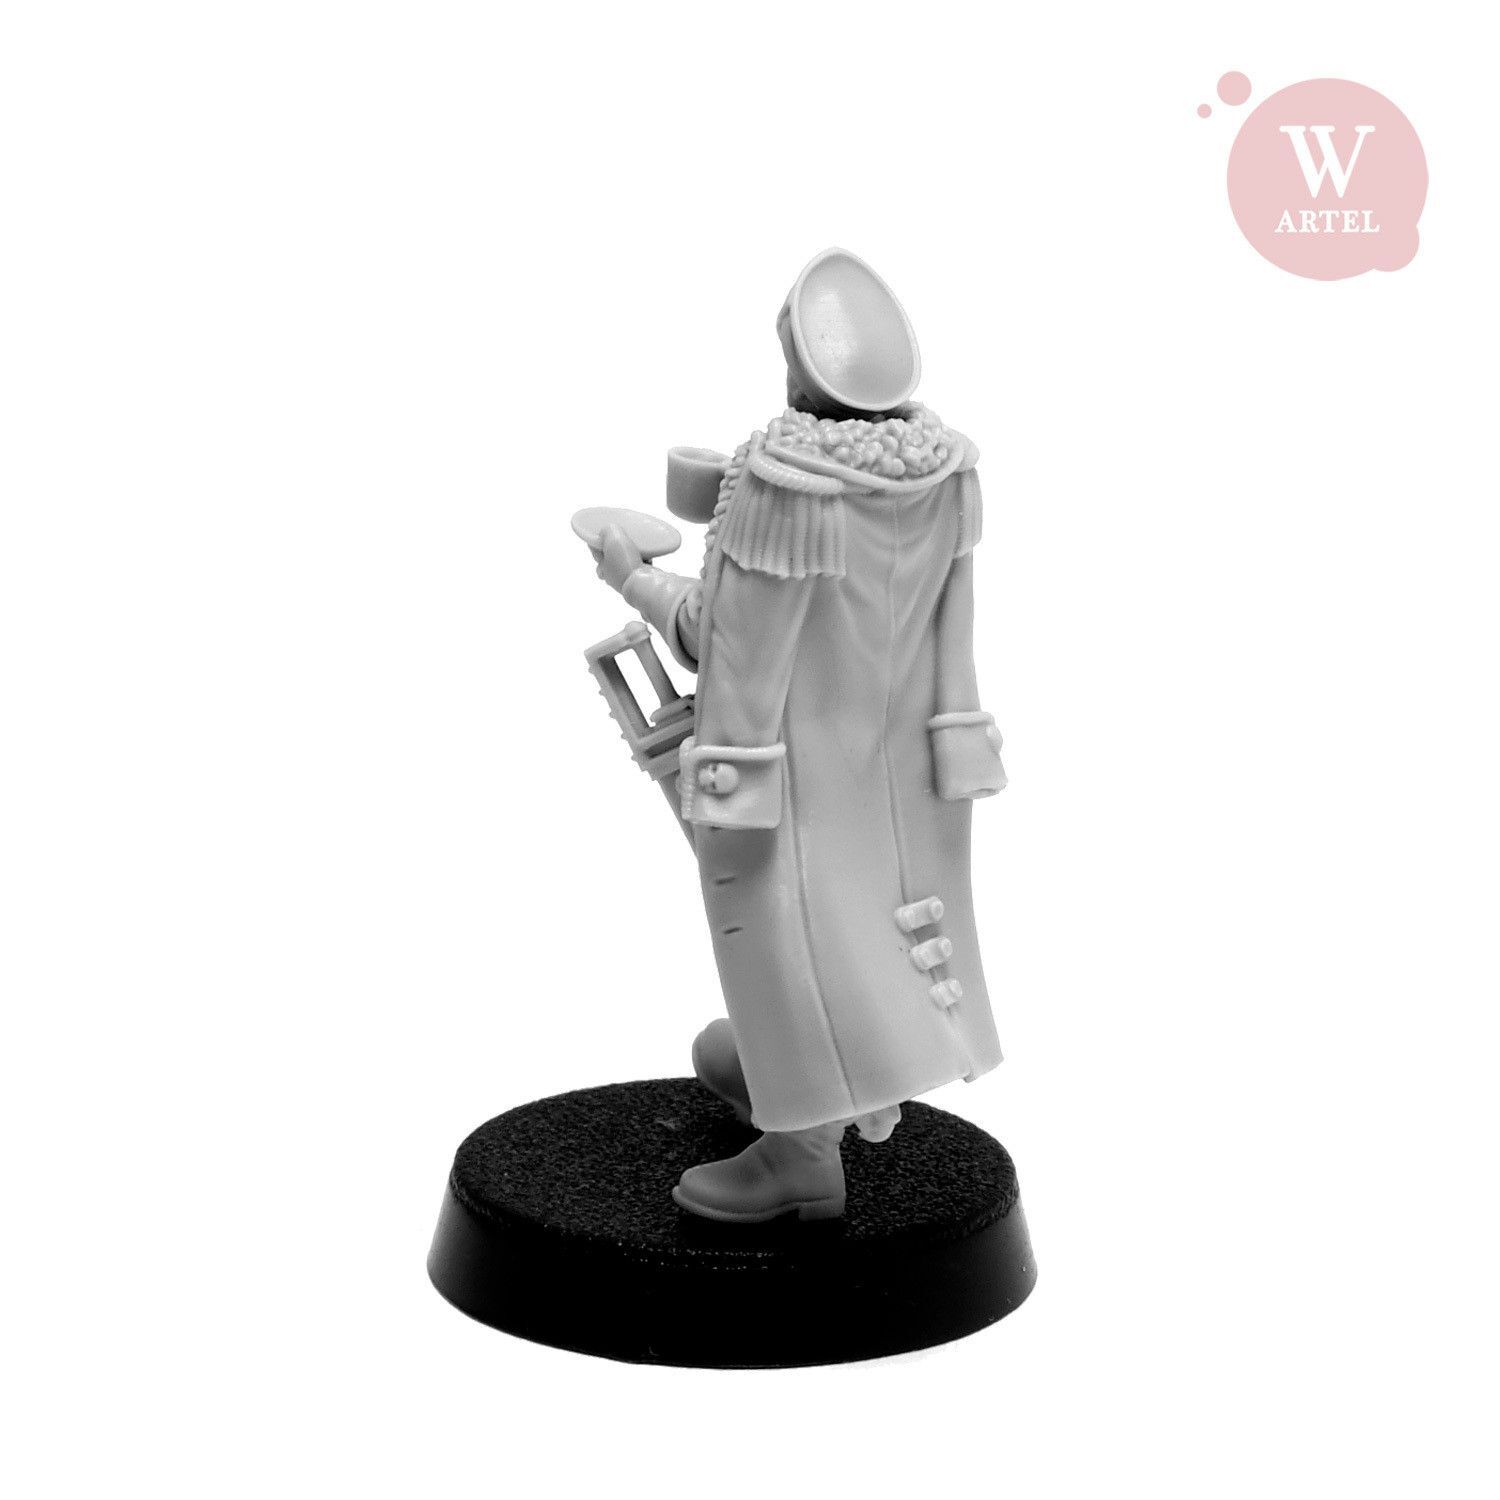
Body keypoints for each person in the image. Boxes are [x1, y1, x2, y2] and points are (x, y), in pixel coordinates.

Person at [592, 248, 1008, 1223]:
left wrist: (631, 575)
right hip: (902, 754)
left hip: (785, 761)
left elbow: (722, 640)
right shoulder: (947, 475)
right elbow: (951, 624)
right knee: (878, 922)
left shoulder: (783, 483)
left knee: (782, 937)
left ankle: (802, 1153)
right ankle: (817, 1076)